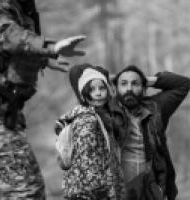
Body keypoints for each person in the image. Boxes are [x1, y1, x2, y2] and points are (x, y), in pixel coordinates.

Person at [0, 0, 86, 199]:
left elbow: (9, 49)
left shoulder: (21, 6)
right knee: (26, 191)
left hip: (3, 111)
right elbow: (5, 34)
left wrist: (44, 57)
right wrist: (48, 46)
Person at [111, 65, 190, 200]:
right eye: (123, 84)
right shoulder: (106, 111)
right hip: (117, 190)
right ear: (115, 88)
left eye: (135, 84)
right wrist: (104, 78)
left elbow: (184, 84)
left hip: (150, 189)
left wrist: (147, 79)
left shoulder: (156, 108)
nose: (129, 88)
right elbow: (78, 75)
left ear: (143, 88)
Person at [55, 64, 126, 200]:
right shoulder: (87, 120)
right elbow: (86, 159)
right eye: (92, 90)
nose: (98, 93)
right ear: (84, 94)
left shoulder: (101, 117)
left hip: (93, 188)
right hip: (88, 192)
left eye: (102, 88)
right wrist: (103, 191)